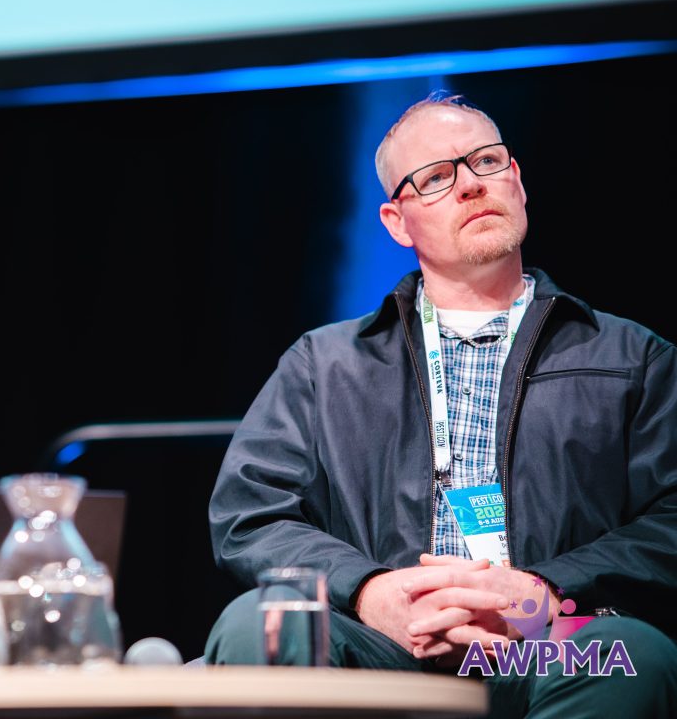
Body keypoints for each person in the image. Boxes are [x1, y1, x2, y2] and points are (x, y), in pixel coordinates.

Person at [204, 93, 676, 717]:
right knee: (258, 625)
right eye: (434, 178)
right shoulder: (325, 365)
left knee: (633, 654)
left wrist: (546, 590)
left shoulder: (632, 356)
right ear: (397, 222)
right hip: (383, 645)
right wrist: (370, 593)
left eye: (486, 162)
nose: (471, 186)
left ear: (517, 181)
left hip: (547, 640)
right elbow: (251, 513)